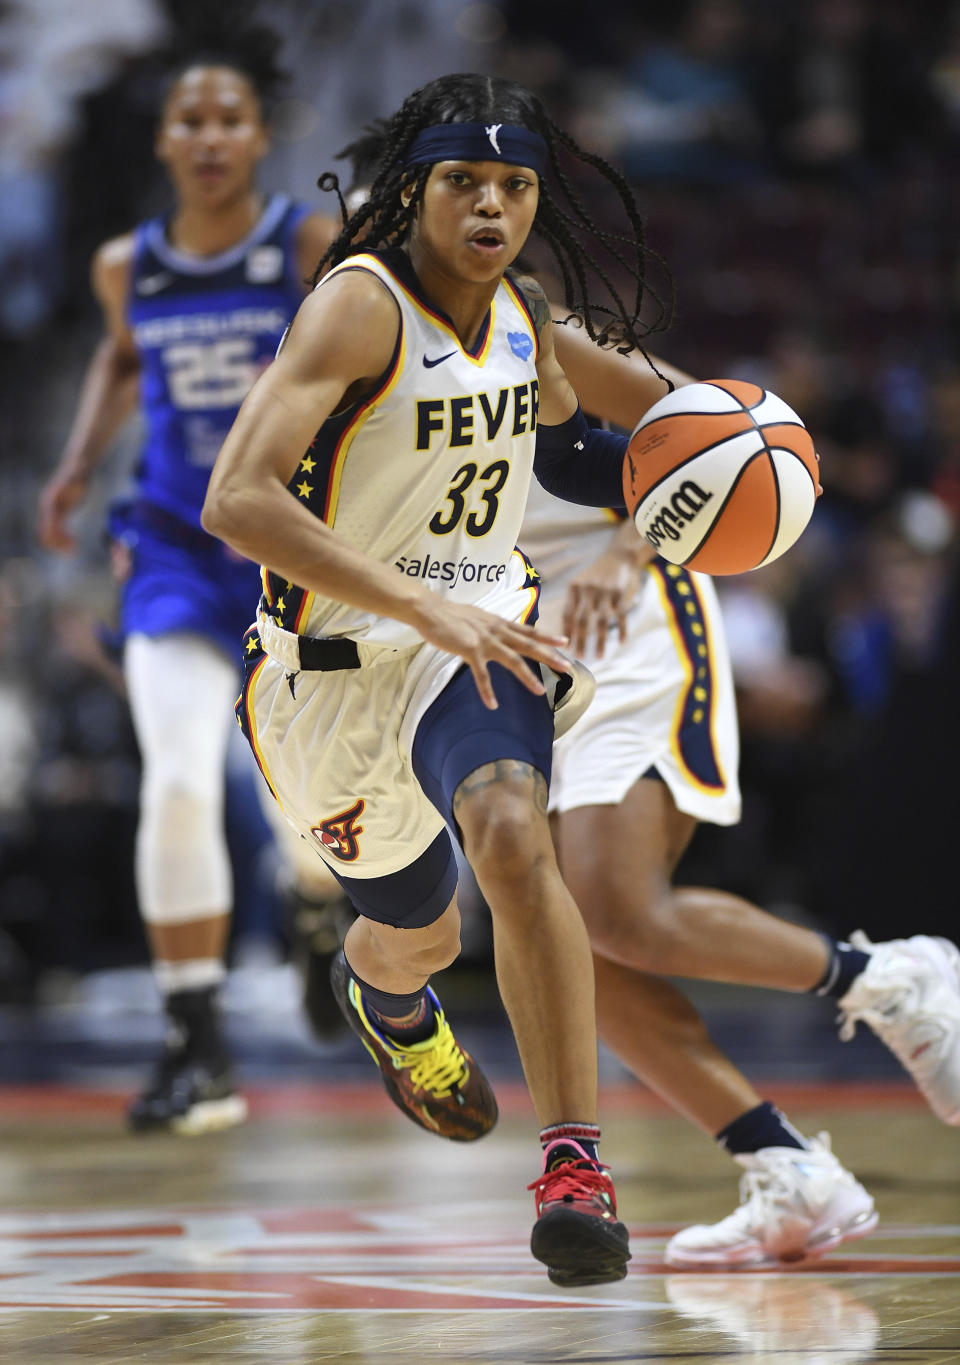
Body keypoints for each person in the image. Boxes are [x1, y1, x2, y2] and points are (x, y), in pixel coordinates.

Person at [303, 114, 960, 1269]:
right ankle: (783, 1165)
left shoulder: (533, 326)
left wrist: (623, 551)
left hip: (635, 621)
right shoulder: (357, 336)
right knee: (574, 944)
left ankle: (889, 975)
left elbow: (715, 431)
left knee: (616, 913)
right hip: (506, 644)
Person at [201, 71, 679, 1287]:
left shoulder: (522, 312)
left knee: (515, 835)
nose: (492, 206)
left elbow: (573, 453)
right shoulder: (357, 309)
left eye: (516, 185)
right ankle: (389, 1004)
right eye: (465, 180)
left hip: (479, 641)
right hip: (327, 677)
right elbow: (237, 500)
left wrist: (705, 463)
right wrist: (419, 600)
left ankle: (574, 1166)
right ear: (415, 189)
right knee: (413, 929)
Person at [36, 24, 338, 1135]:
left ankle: (317, 919)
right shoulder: (130, 264)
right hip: (168, 536)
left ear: (261, 135)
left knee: (303, 812)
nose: (209, 135)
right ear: (165, 140)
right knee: (175, 777)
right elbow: (123, 357)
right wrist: (73, 469)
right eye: (190, 119)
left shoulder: (308, 244)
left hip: (288, 546)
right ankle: (196, 1042)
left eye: (229, 118)